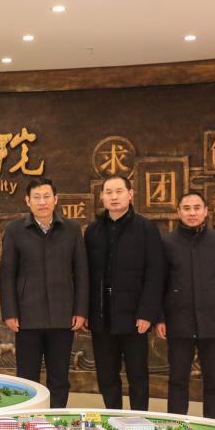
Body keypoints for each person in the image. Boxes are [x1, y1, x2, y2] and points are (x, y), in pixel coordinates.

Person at [0, 177, 87, 406]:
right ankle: (28, 419)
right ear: (27, 201)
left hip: (62, 316)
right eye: (36, 197)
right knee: (27, 378)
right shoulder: (15, 230)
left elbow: (81, 273)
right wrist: (10, 312)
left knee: (59, 378)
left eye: (46, 196)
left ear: (55, 199)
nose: (42, 202)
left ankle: (56, 417)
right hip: (27, 317)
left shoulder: (72, 229)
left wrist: (80, 310)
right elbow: (7, 275)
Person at [155, 191, 215, 419]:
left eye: (197, 208)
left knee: (214, 380)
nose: (192, 213)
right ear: (178, 212)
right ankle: (177, 425)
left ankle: (214, 427)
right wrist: (160, 318)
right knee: (177, 379)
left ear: (206, 211)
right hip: (178, 321)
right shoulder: (166, 242)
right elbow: (158, 283)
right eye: (186, 208)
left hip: (214, 321)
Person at [84, 174, 165, 411]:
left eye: (119, 191)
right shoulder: (93, 230)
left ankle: (139, 420)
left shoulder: (146, 228)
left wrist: (147, 313)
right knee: (106, 374)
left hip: (134, 316)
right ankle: (113, 416)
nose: (114, 197)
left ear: (130, 194)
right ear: (101, 197)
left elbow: (155, 273)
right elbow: (86, 274)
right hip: (102, 316)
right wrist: (87, 311)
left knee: (137, 374)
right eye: (108, 192)